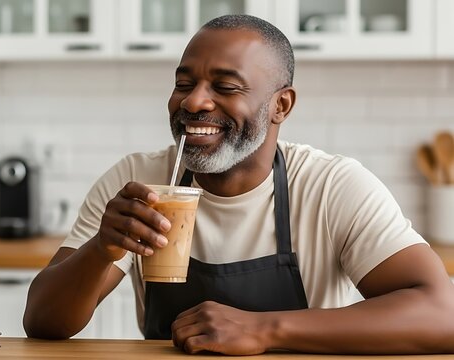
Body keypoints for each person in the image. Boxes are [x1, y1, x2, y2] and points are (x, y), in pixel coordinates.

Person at [23, 14, 454, 355]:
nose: (193, 102)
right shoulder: (135, 180)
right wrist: (102, 249)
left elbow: (443, 314)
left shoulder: (331, 186)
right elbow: (42, 323)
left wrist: (266, 328)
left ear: (280, 105)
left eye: (225, 87)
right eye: (183, 84)